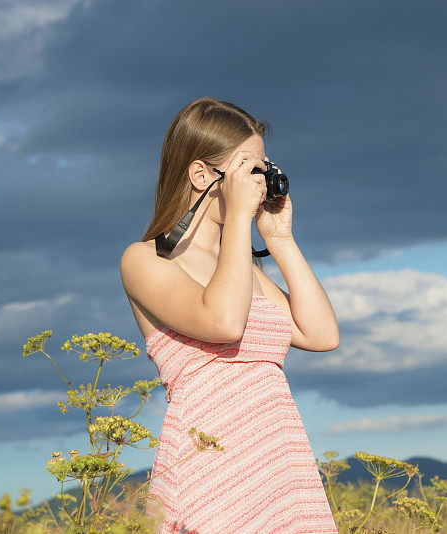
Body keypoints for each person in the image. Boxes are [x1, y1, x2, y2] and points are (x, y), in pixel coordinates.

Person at [119, 97, 340, 533]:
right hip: (210, 465)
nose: (260, 183)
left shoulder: (243, 267)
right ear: (201, 174)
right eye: (247, 170)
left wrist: (280, 239)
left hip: (279, 464)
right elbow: (223, 323)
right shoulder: (145, 261)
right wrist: (239, 217)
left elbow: (321, 335)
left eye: (263, 169)